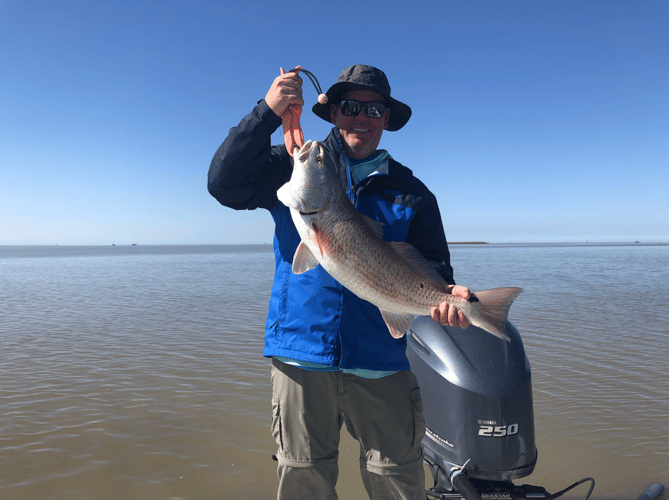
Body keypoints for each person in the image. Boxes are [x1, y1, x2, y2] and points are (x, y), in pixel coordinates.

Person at [208, 64, 471, 500]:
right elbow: (224, 184)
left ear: (387, 119)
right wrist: (267, 114)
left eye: (375, 110)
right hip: (301, 358)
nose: (362, 118)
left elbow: (436, 270)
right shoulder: (296, 165)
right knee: (303, 479)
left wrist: (449, 296)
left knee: (398, 482)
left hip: (382, 360)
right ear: (333, 114)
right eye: (350, 107)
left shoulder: (413, 193)